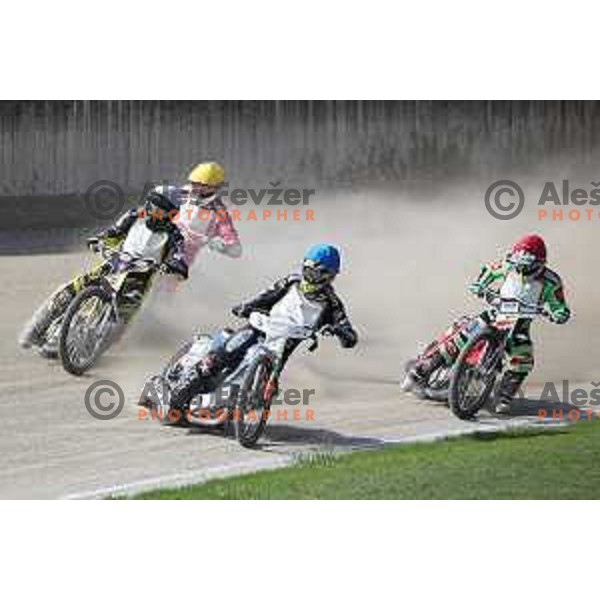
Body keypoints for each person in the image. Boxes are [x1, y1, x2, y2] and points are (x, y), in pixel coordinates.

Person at [405, 234, 571, 414]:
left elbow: (560, 306)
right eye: (519, 261)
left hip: (520, 325)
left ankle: (504, 396)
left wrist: (558, 313)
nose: (522, 267)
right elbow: (488, 271)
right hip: (494, 314)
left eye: (528, 263)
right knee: (459, 333)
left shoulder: (551, 281)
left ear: (540, 262)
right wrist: (480, 285)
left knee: (524, 359)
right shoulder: (507, 265)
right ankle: (421, 371)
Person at [19, 188, 189, 356]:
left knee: (120, 322)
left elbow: (179, 257)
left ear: (171, 214)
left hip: (140, 280)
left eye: (158, 210)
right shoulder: (134, 215)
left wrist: (175, 265)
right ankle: (36, 328)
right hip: (115, 264)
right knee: (71, 288)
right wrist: (100, 240)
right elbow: (114, 232)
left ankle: (86, 347)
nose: (152, 212)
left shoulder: (175, 235)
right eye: (150, 205)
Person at [196, 243, 358, 379]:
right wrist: (246, 307)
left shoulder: (332, 303)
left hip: (281, 349)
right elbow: (266, 295)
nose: (311, 276)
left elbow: (350, 336)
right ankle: (193, 378)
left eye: (318, 272)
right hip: (261, 328)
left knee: (265, 394)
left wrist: (341, 332)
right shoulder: (291, 281)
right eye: (308, 268)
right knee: (219, 360)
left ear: (330, 275)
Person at [173, 161, 242, 266]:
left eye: (204, 185)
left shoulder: (219, 212)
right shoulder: (181, 193)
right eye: (195, 183)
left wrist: (220, 245)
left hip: (181, 260)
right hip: (160, 240)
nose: (197, 188)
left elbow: (235, 249)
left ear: (216, 187)